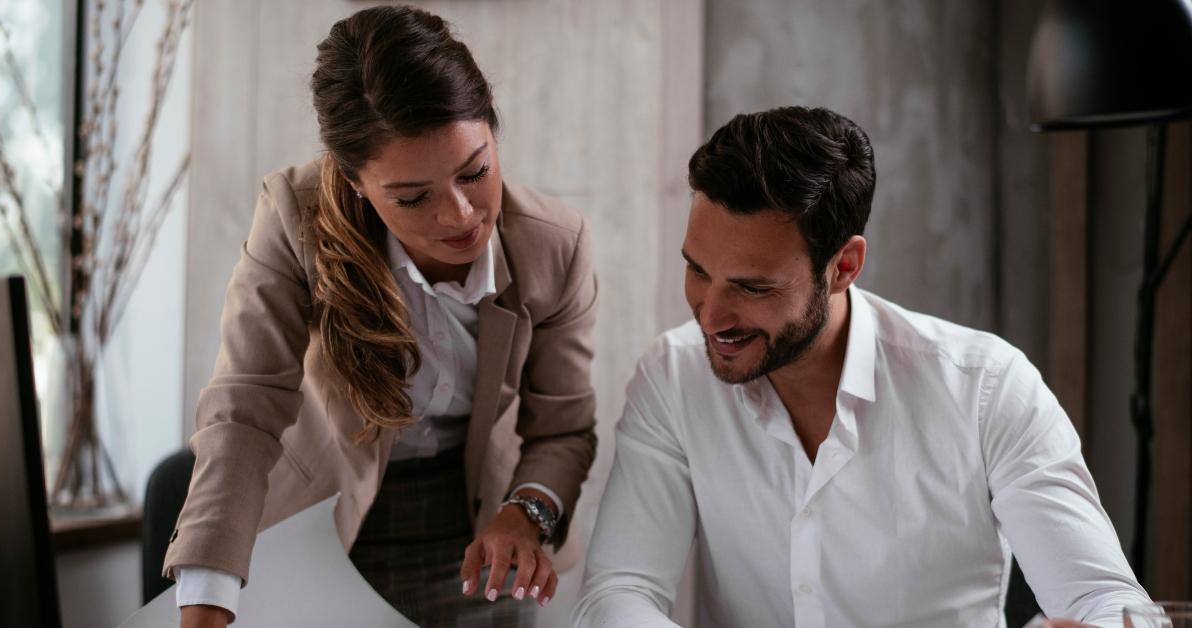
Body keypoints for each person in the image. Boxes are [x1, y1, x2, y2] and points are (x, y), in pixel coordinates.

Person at [572, 106, 1150, 627]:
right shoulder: (673, 378)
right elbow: (618, 592)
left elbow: (1109, 602)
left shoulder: (986, 387)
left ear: (843, 266)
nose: (713, 315)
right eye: (698, 271)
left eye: (753, 287)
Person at [163, 6, 598, 627]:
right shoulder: (296, 220)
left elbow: (563, 430)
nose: (459, 215)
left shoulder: (554, 246)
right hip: (321, 521)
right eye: (413, 196)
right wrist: (206, 599)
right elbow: (244, 409)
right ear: (356, 180)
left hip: (478, 533)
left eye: (475, 171)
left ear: (494, 131)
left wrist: (526, 513)